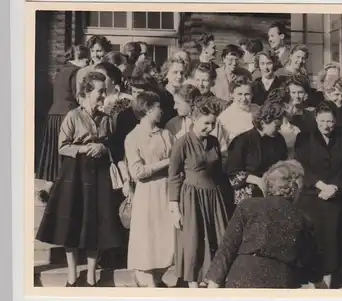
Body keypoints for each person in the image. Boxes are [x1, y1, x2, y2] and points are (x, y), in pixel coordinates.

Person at [36, 72, 124, 287]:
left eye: (104, 90)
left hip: (99, 175)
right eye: (99, 91)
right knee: (72, 226)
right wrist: (85, 148)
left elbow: (112, 145)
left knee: (96, 226)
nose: (103, 95)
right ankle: (72, 276)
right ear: (85, 93)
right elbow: (62, 146)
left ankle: (92, 275)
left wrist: (103, 147)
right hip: (75, 174)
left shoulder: (105, 118)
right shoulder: (73, 116)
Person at [205, 160, 327, 289]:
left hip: (242, 280)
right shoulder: (303, 219)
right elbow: (314, 266)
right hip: (281, 284)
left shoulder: (248, 206)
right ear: (295, 188)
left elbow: (226, 249)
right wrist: (322, 288)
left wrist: (212, 287)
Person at [168, 99, 233, 288]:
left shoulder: (213, 142)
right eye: (206, 123)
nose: (210, 127)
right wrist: (174, 208)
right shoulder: (182, 143)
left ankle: (210, 281)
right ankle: (194, 289)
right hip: (191, 198)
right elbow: (173, 176)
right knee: (193, 241)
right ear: (194, 120)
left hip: (213, 197)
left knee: (218, 239)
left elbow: (219, 171)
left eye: (213, 123)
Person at [293, 101, 342, 288]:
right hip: (312, 196)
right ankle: (312, 281)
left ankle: (328, 283)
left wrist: (335, 187)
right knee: (313, 240)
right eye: (322, 121)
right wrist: (321, 185)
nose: (326, 125)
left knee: (332, 240)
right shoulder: (304, 138)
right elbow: (302, 166)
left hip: (334, 197)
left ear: (335, 120)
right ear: (316, 119)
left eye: (329, 121)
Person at [124, 91, 177, 288]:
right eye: (157, 107)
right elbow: (137, 171)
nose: (161, 111)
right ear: (146, 110)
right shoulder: (133, 137)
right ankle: (144, 278)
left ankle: (156, 277)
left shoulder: (166, 134)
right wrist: (166, 162)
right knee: (147, 238)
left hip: (165, 191)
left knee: (166, 239)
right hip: (146, 193)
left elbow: (176, 161)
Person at [36, 45, 89, 186]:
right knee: (66, 151)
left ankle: (49, 187)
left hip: (53, 114)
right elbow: (78, 95)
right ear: (81, 58)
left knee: (53, 154)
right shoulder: (77, 72)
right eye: (86, 60)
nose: (88, 63)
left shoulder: (61, 71)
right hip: (67, 115)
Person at [225, 102, 288, 205]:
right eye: (276, 126)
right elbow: (232, 172)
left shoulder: (278, 139)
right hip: (248, 194)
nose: (279, 130)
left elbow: (283, 163)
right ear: (263, 123)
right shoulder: (242, 141)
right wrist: (258, 181)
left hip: (273, 191)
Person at [217, 76, 260, 142]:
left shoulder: (258, 110)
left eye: (247, 94)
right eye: (239, 94)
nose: (243, 99)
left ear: (252, 94)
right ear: (232, 95)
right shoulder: (224, 118)